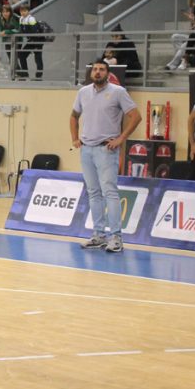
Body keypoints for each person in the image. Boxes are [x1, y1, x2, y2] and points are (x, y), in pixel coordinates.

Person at [70, 61, 141, 253]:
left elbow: (136, 116)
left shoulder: (118, 92)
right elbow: (74, 116)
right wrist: (75, 138)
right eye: (94, 69)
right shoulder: (83, 92)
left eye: (101, 69)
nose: (97, 72)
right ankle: (99, 235)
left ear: (108, 74)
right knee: (93, 192)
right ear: (91, 73)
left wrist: (121, 139)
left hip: (106, 150)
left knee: (110, 192)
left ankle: (116, 237)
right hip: (86, 149)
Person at [16, 4, 44, 80]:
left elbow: (35, 32)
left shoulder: (31, 19)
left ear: (28, 11)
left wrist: (34, 45)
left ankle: (39, 76)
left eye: (25, 11)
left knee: (38, 58)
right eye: (21, 11)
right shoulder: (21, 19)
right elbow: (21, 30)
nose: (23, 12)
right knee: (22, 55)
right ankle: (25, 74)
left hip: (38, 40)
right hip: (31, 40)